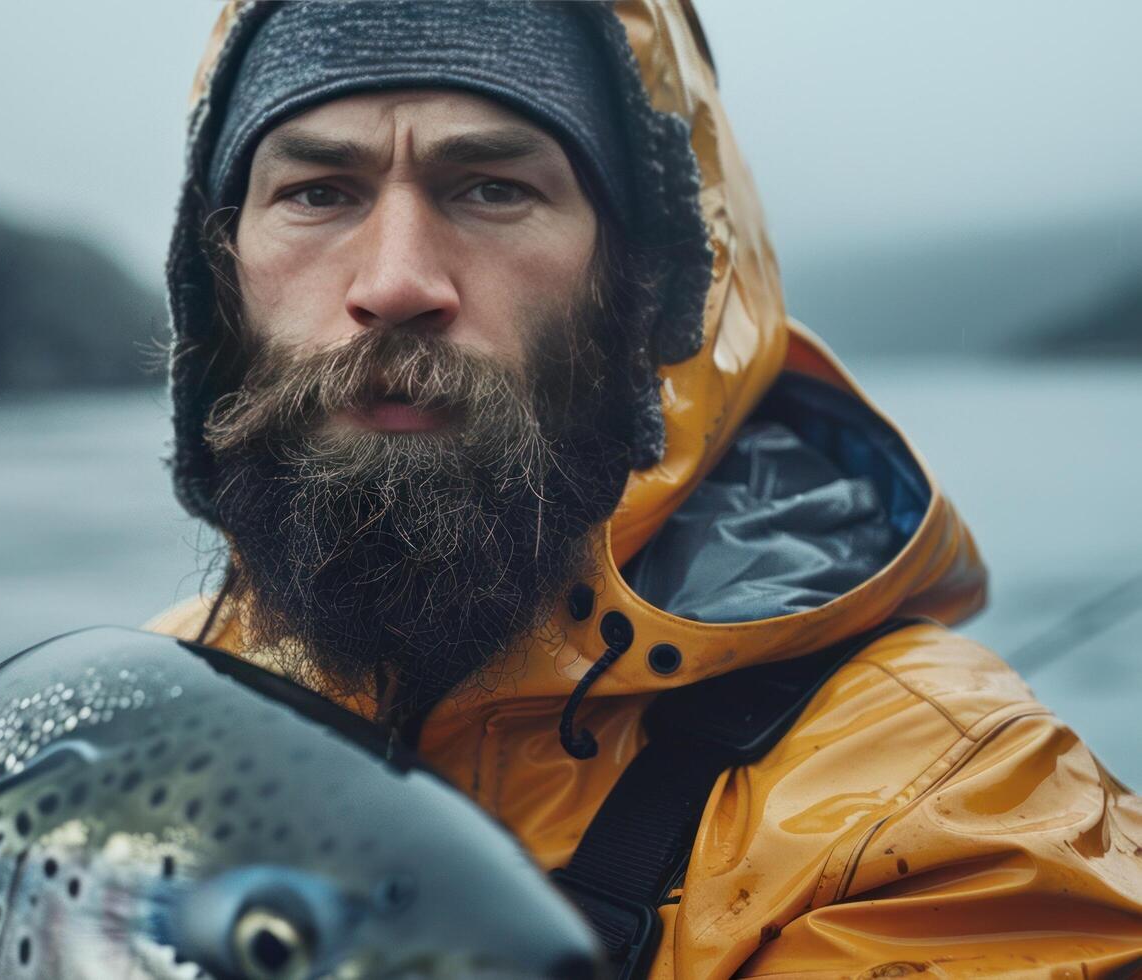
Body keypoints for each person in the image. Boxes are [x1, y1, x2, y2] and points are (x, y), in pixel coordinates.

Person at [143, 1, 1142, 976]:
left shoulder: (949, 819)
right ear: (220, 273)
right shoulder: (140, 721)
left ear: (648, 282)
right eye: (318, 191)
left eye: (491, 188)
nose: (397, 281)